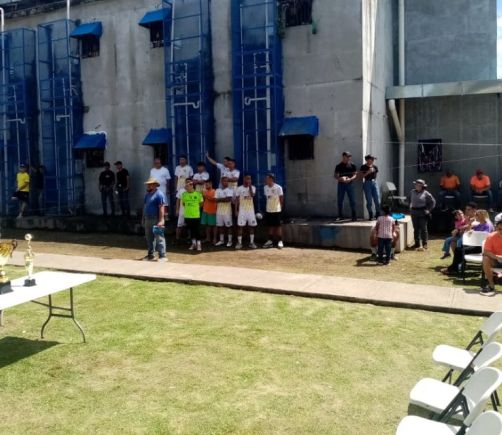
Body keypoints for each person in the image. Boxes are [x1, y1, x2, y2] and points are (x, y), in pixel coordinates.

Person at [441, 209, 493, 276]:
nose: (475, 216)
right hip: (476, 245)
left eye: (477, 215)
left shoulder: (487, 224)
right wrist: (470, 224)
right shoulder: (480, 224)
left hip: (482, 247)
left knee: (460, 250)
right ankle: (456, 268)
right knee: (458, 249)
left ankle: (454, 269)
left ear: (482, 216)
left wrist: (474, 232)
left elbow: (485, 235)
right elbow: (468, 232)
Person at [142, 177, 167, 262]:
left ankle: (162, 256)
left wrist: (161, 220)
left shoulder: (159, 194)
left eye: (150, 184)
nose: (148, 186)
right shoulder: (147, 195)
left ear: (155, 185)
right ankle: (151, 255)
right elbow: (145, 206)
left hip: (155, 218)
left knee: (159, 237)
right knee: (149, 237)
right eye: (148, 184)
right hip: (147, 218)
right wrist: (143, 218)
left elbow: (162, 207)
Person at [409, 179, 436, 251]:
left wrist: (428, 210)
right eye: (415, 184)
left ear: (422, 186)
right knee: (416, 229)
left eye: (417, 185)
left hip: (422, 213)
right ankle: (417, 244)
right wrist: (410, 206)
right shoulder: (412, 192)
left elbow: (433, 202)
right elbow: (409, 199)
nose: (416, 186)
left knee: (423, 229)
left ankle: (424, 244)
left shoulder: (426, 193)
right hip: (414, 212)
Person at [480, 213, 502, 296]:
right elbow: (486, 252)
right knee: (485, 258)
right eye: (500, 229)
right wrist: (497, 257)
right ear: (496, 228)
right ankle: (491, 285)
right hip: (495, 260)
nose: (501, 231)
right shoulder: (490, 237)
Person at [235, 174, 258, 249]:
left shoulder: (253, 187)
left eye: (249, 179)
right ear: (244, 179)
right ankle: (239, 243)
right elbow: (236, 200)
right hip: (242, 211)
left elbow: (252, 195)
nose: (248, 180)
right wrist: (236, 210)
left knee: (251, 227)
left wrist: (250, 186)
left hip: (250, 211)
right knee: (240, 227)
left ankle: (251, 242)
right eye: (247, 178)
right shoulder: (239, 188)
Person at [263, 174, 284, 249]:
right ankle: (270, 241)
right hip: (269, 210)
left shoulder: (278, 187)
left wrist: (280, 207)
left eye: (267, 179)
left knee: (278, 226)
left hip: (277, 210)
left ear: (271, 179)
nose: (265, 180)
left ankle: (280, 241)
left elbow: (281, 198)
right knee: (270, 226)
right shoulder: (265, 187)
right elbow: (267, 197)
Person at [334, 151, 357, 221]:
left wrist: (350, 179)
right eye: (347, 157)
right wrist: (341, 178)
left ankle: (354, 216)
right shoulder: (338, 166)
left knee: (352, 200)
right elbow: (335, 176)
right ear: (343, 157)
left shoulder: (352, 165)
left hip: (350, 184)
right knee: (340, 200)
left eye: (349, 157)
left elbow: (355, 175)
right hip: (341, 185)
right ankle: (340, 215)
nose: (348, 158)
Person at [181, 180, 204, 252]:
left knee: (197, 230)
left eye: (187, 186)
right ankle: (193, 244)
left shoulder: (198, 194)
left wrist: (194, 209)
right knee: (191, 231)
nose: (186, 187)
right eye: (186, 186)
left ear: (192, 186)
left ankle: (199, 244)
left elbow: (201, 204)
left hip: (196, 216)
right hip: (187, 216)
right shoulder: (184, 194)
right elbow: (184, 204)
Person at [214, 176, 234, 247]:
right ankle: (221, 240)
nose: (225, 182)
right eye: (224, 181)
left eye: (227, 181)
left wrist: (220, 199)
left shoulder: (230, 190)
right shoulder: (217, 190)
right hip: (219, 212)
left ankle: (230, 241)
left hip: (227, 212)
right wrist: (223, 199)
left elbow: (228, 200)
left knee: (229, 226)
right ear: (221, 182)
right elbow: (215, 200)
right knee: (220, 226)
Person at [360, 154, 380, 220]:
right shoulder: (363, 167)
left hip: (374, 182)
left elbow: (376, 174)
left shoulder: (375, 166)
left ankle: (377, 214)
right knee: (369, 200)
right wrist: (368, 172)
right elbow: (361, 176)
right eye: (372, 159)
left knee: (377, 200)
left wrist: (373, 171)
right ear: (367, 160)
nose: (373, 160)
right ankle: (370, 214)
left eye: (373, 159)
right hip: (367, 183)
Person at [202, 179, 217, 244]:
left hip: (212, 210)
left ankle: (214, 239)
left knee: (214, 225)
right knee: (207, 225)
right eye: (205, 185)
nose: (206, 186)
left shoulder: (214, 191)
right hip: (205, 210)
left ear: (211, 184)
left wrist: (205, 196)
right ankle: (208, 238)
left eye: (207, 184)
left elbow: (213, 200)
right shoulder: (205, 191)